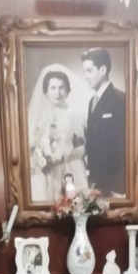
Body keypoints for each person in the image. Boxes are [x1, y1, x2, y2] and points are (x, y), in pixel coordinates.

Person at [27, 65, 88, 203]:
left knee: (73, 205)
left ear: (67, 91)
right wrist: (42, 158)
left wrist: (61, 156)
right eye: (53, 88)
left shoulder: (74, 114)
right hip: (48, 171)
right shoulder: (39, 115)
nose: (58, 92)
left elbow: (81, 148)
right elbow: (32, 145)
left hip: (70, 168)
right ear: (46, 91)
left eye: (61, 87)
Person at [81, 47, 126, 197]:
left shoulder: (120, 99)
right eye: (84, 72)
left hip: (114, 185)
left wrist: (116, 187)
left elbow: (122, 147)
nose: (85, 76)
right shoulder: (91, 102)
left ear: (103, 70)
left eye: (89, 71)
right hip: (97, 181)